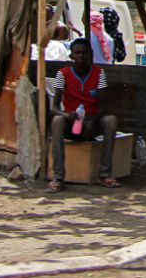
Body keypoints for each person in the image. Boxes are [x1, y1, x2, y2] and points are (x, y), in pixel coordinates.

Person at [47, 38, 121, 192]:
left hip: (92, 120)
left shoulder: (98, 73)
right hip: (71, 121)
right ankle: (58, 177)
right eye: (77, 53)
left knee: (111, 121)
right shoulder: (63, 74)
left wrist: (94, 122)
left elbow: (103, 105)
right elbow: (54, 107)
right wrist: (67, 115)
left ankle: (105, 174)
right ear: (72, 56)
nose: (81, 56)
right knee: (57, 120)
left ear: (91, 54)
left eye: (85, 53)